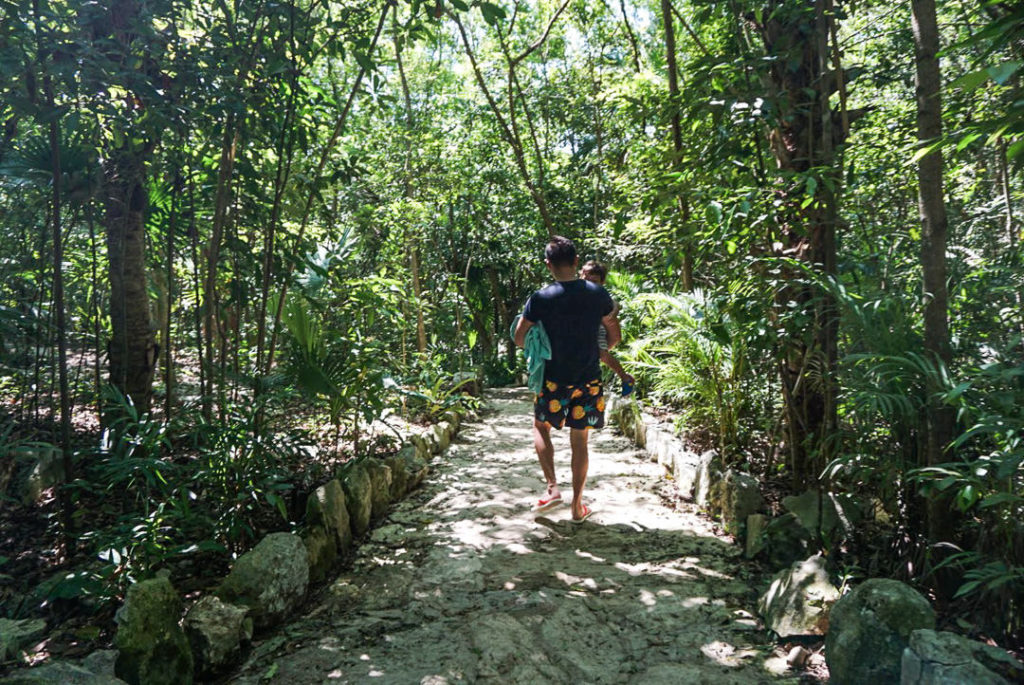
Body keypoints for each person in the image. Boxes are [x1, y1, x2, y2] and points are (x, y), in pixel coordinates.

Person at [513, 236, 621, 523]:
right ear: (576, 261)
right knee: (580, 441)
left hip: (552, 380)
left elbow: (519, 338)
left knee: (540, 426)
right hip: (588, 379)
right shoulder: (598, 295)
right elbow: (612, 342)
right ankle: (577, 506)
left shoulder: (540, 298)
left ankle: (552, 488)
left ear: (548, 264)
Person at [579, 260, 635, 396]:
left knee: (602, 355)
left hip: (597, 329)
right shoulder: (577, 290)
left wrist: (614, 311)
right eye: (586, 279)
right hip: (582, 332)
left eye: (594, 281)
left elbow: (614, 304)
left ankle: (625, 377)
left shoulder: (600, 294)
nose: (589, 284)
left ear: (602, 283)